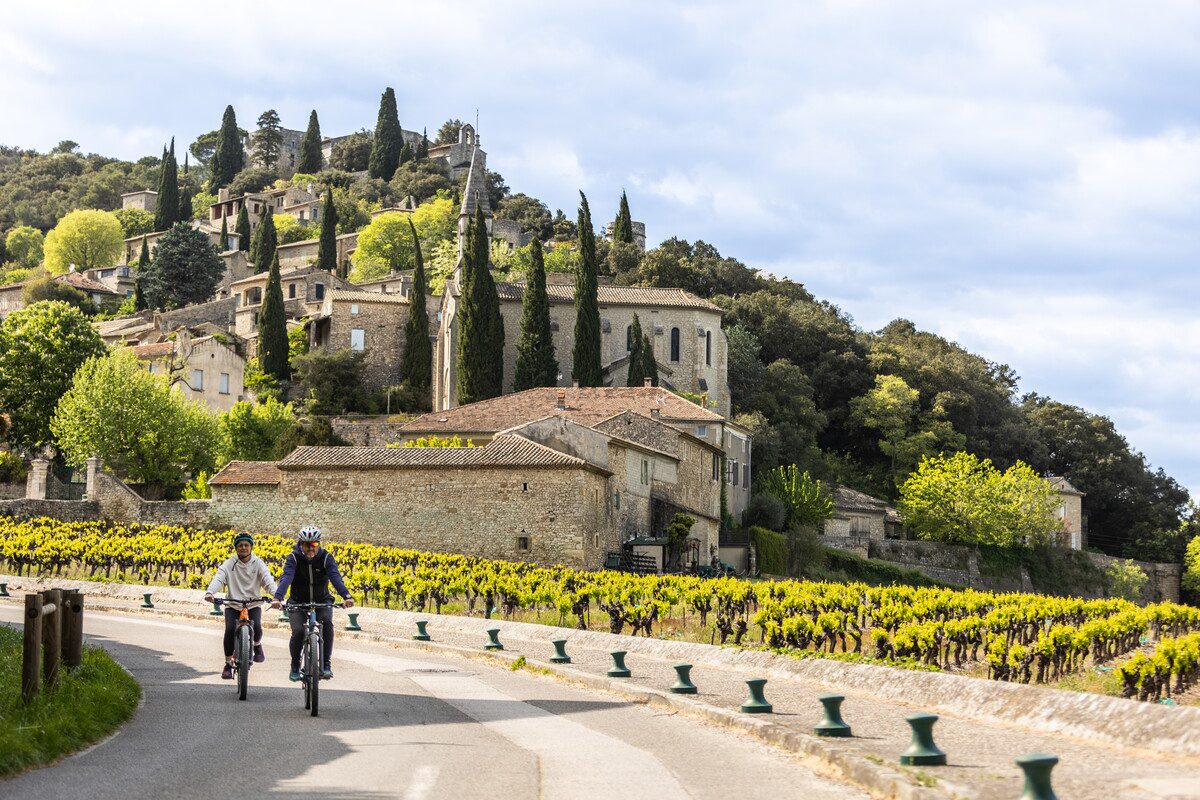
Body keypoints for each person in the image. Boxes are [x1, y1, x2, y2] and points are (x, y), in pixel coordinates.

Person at [273, 525, 354, 681]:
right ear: (301, 544)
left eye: (314, 545)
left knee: (327, 624)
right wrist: (278, 597)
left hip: (321, 600)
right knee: (297, 631)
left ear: (318, 544)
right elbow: (286, 578)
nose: (310, 549)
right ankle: (295, 665)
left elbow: (335, 577)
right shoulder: (294, 558)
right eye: (306, 545)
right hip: (298, 601)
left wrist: (346, 595)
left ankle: (326, 665)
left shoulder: (326, 558)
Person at [204, 533, 281, 680]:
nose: (243, 548)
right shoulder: (229, 564)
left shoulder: (258, 563)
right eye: (240, 545)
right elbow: (219, 578)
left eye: (246, 545)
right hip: (233, 604)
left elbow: (267, 580)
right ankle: (228, 663)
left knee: (257, 627)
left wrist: (277, 596)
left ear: (251, 547)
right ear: (236, 548)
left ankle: (257, 645)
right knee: (229, 631)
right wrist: (210, 592)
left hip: (253, 603)